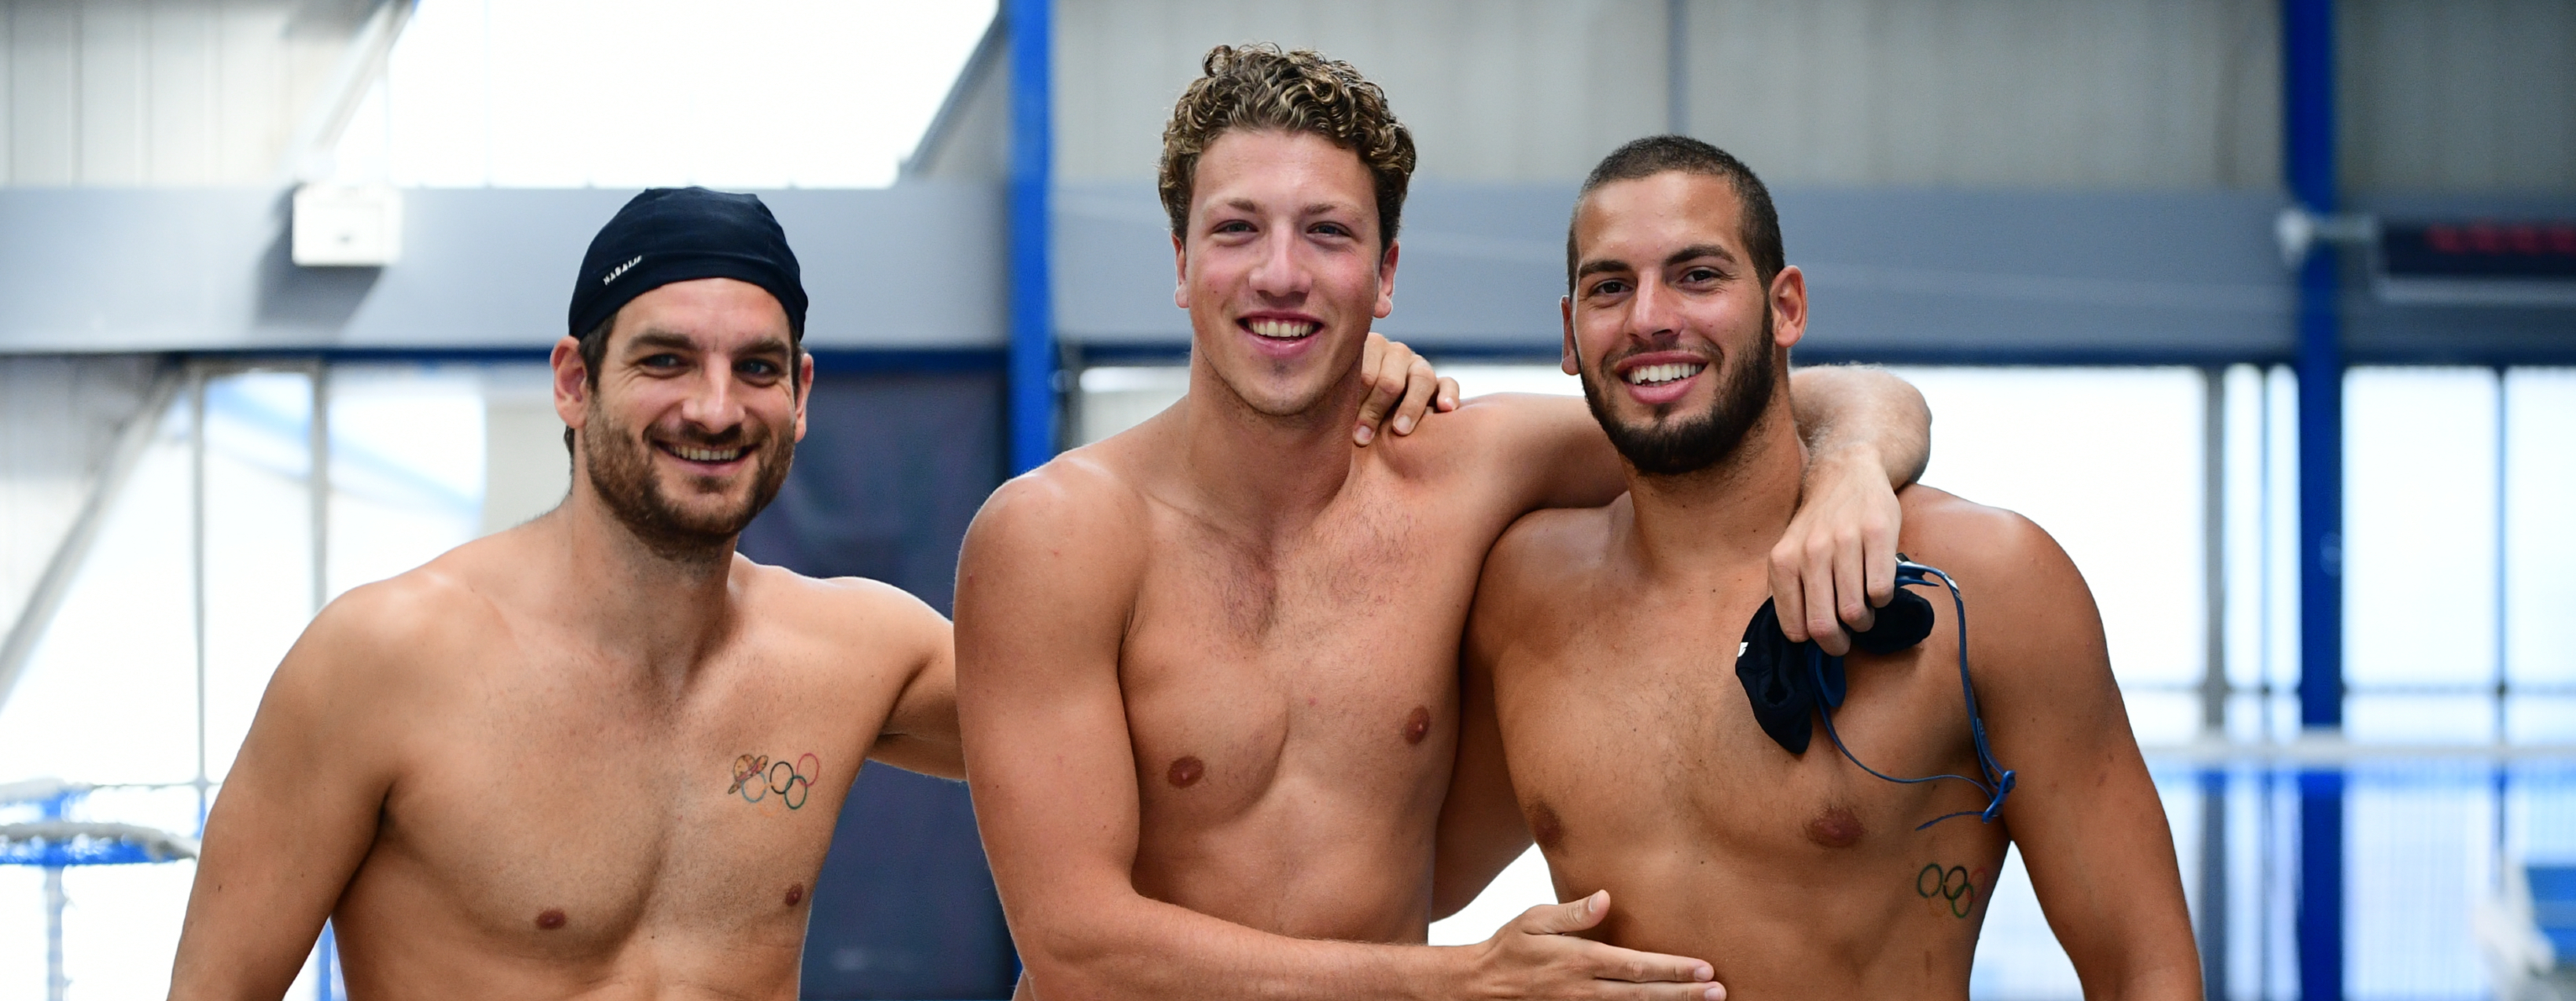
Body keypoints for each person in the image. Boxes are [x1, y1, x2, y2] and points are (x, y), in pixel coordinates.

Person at [955, 47, 1934, 1000]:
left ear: (1383, 276)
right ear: (1180, 262)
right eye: (1236, 230)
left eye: (1327, 233)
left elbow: (1790, 401)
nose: (1280, 274)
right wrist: (1462, 980)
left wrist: (1851, 467)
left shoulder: (1471, 473)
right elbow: (1078, 949)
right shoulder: (1057, 537)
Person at [1446, 136, 2201, 999]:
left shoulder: (1988, 584)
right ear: (1568, 333)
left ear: (1786, 308)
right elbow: (1410, 876)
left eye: (1697, 276)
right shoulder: (1521, 594)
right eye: (1609, 287)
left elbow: (2144, 970)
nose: (1649, 316)